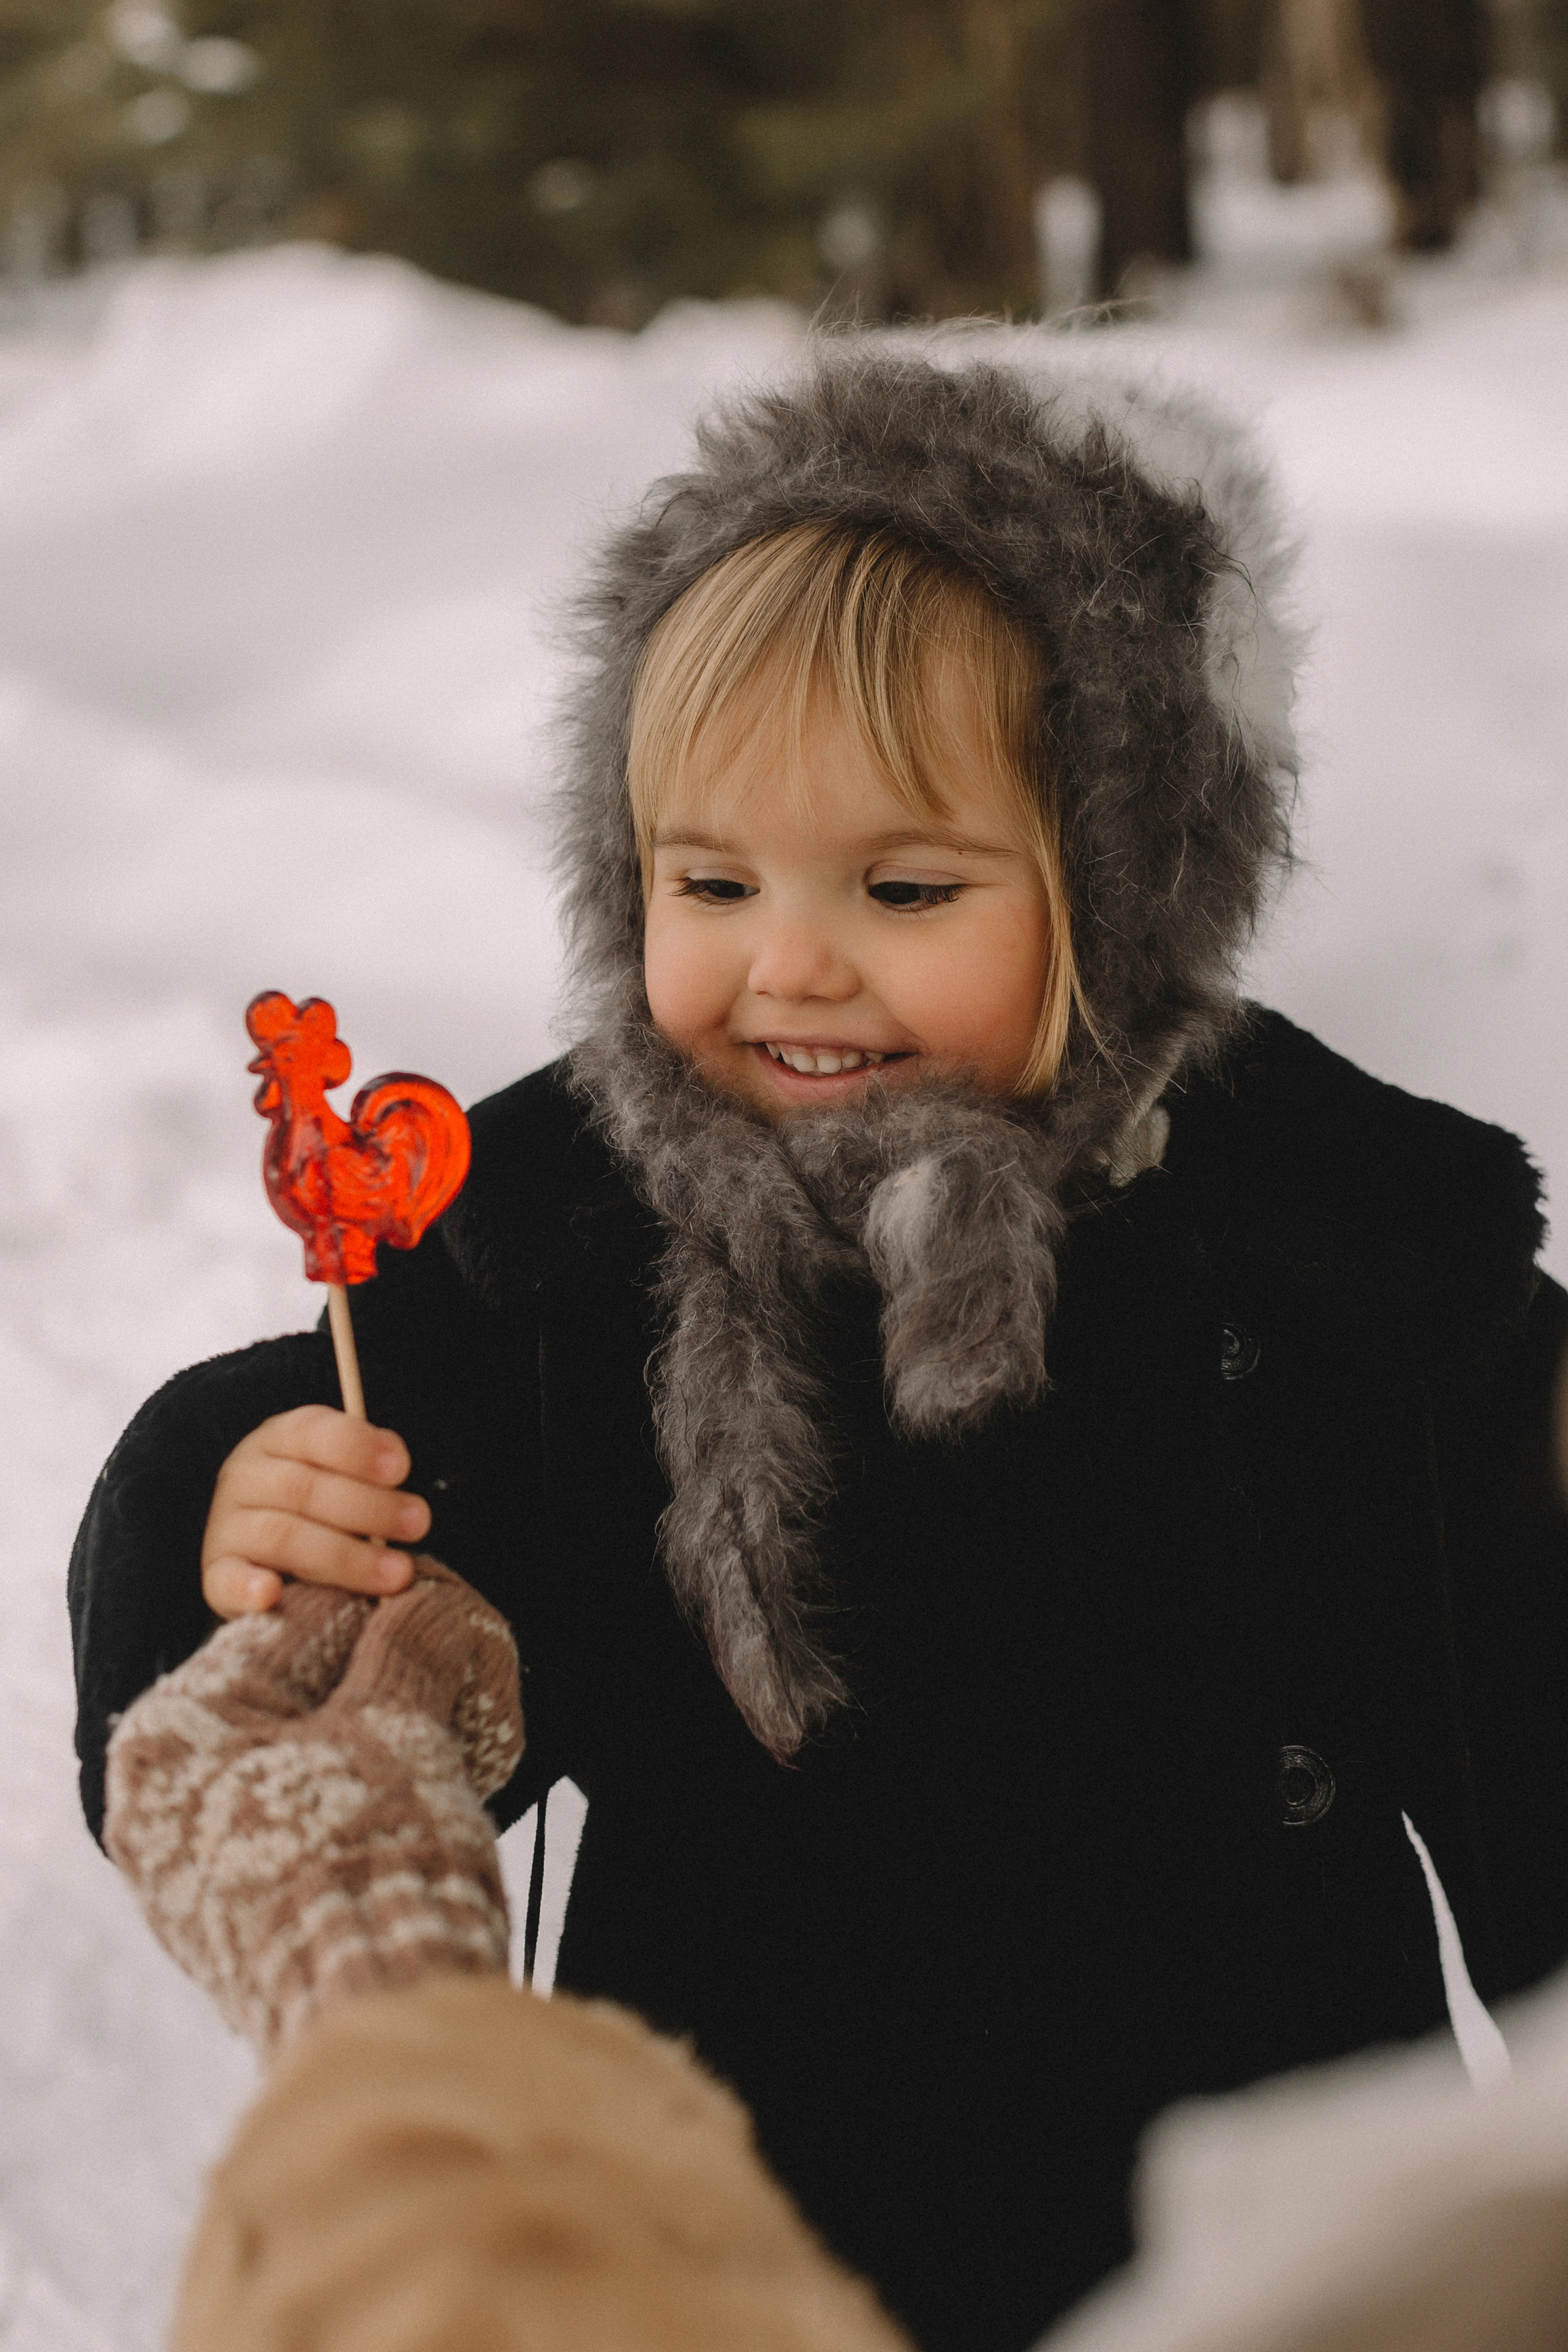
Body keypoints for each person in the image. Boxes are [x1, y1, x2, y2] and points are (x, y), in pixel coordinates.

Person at [70, 336, 1568, 2352]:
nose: (788, 961)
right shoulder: (572, 1242)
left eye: (904, 884)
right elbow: (349, 1543)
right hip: (712, 2248)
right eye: (710, 879)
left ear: (1129, 886)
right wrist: (232, 1509)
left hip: (1259, 2248)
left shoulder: (1332, 1268)